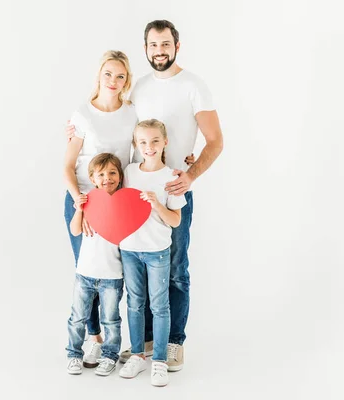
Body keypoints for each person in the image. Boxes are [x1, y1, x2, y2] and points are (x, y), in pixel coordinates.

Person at [67, 20, 224, 372]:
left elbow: (215, 141)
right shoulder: (137, 87)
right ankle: (143, 346)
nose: (160, 51)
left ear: (177, 46)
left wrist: (191, 173)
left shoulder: (194, 86)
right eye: (153, 45)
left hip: (171, 192)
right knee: (134, 270)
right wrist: (77, 126)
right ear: (146, 49)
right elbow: (114, 118)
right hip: (133, 195)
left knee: (175, 269)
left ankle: (173, 344)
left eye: (165, 44)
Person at [63, 50, 137, 365]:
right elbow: (67, 165)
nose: (113, 81)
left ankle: (118, 341)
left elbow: (142, 150)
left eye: (120, 76)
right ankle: (94, 339)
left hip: (117, 205)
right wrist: (81, 201)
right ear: (99, 76)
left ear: (126, 81)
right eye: (108, 74)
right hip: (84, 201)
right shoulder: (82, 113)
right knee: (87, 271)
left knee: (113, 272)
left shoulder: (132, 112)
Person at [117, 119, 186, 387]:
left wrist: (157, 203)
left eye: (155, 141)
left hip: (157, 251)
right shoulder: (129, 171)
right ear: (136, 144)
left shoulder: (171, 177)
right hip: (130, 250)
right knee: (134, 303)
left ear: (165, 142)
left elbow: (176, 221)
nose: (149, 147)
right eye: (143, 142)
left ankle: (158, 360)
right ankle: (137, 354)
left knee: (159, 305)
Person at [66, 153, 125, 377]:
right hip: (85, 274)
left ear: (120, 177)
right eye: (100, 174)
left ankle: (110, 356)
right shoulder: (88, 200)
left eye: (112, 173)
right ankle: (74, 354)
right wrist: (80, 209)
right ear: (92, 178)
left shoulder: (122, 203)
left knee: (111, 319)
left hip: (112, 275)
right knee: (77, 318)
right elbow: (75, 230)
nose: (107, 178)